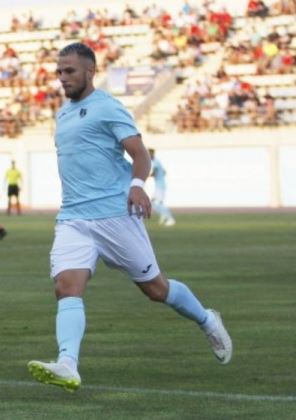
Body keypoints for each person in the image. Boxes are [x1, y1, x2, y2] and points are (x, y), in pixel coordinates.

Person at [27, 43, 232, 392]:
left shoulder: (108, 107)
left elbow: (139, 154)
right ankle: (67, 364)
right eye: (59, 71)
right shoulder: (62, 113)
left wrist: (137, 185)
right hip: (74, 218)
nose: (62, 78)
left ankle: (206, 319)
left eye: (70, 71)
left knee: (155, 289)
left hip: (115, 216)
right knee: (66, 286)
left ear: (90, 71)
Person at [148, 148, 176, 227]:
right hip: (160, 185)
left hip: (160, 186)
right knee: (153, 202)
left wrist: (145, 175)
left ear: (152, 154)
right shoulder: (157, 161)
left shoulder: (156, 163)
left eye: (149, 154)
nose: (148, 155)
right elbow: (164, 172)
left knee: (158, 203)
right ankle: (163, 215)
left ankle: (170, 219)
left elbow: (155, 172)